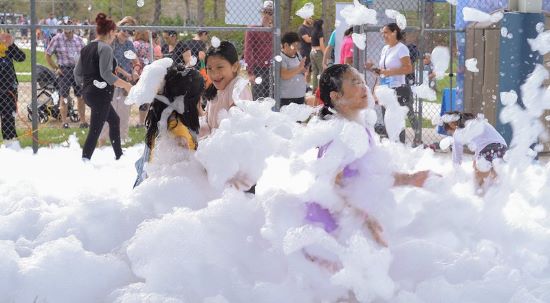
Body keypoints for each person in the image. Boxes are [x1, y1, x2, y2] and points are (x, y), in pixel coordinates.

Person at [74, 13, 133, 160]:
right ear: (111, 32)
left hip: (88, 93)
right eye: (115, 32)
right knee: (95, 130)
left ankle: (119, 155)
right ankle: (85, 160)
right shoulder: (105, 48)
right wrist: (126, 85)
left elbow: (77, 73)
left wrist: (88, 85)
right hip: (100, 95)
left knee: (114, 120)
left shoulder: (87, 48)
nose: (115, 35)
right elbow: (106, 74)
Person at [134, 65, 205, 187]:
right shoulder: (179, 131)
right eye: (200, 96)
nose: (202, 101)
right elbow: (182, 170)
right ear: (190, 100)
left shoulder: (164, 121)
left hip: (148, 187)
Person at [366, 23, 419, 144]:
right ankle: (393, 148)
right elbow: (383, 72)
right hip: (386, 91)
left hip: (398, 90)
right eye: (382, 33)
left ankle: (402, 148)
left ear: (394, 32)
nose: (383, 35)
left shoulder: (401, 48)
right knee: (388, 121)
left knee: (398, 122)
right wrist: (373, 68)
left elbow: (408, 69)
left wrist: (388, 72)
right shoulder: (385, 49)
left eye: (386, 33)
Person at [98, 16, 141, 145]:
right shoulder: (112, 41)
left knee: (123, 113)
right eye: (125, 29)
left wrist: (135, 71)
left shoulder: (129, 44)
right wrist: (126, 73)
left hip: (125, 84)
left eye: (130, 31)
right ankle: (101, 142)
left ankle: (120, 143)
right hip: (110, 81)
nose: (127, 33)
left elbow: (136, 61)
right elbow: (109, 63)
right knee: (107, 112)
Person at [442, 111, 507, 190]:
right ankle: (502, 191)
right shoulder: (478, 121)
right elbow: (482, 143)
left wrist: (456, 168)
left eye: (450, 132)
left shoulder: (459, 132)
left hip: (488, 149)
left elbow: (457, 155)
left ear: (451, 124)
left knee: (478, 182)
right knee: (495, 176)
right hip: (502, 148)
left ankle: (479, 196)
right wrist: (476, 159)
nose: (452, 134)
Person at [199, 41, 252, 137]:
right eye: (209, 68)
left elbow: (235, 128)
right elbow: (207, 122)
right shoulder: (215, 89)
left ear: (235, 66)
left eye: (219, 67)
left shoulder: (238, 88)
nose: (214, 74)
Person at [45, 18, 87, 129]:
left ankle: (83, 122)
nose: (67, 26)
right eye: (65, 24)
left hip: (78, 70)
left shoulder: (79, 40)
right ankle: (64, 122)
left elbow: (85, 55)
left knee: (81, 97)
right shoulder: (57, 39)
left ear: (73, 26)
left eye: (69, 24)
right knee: (63, 97)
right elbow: (48, 55)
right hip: (64, 71)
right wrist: (56, 68)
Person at [244, 0, 273, 100]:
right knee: (258, 98)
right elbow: (248, 51)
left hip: (271, 68)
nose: (267, 15)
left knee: (270, 98)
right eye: (265, 12)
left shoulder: (273, 29)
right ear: (261, 13)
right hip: (258, 68)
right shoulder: (253, 28)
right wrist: (250, 72)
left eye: (270, 13)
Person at [0, 32, 25, 146]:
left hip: (9, 88)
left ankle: (10, 142)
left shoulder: (6, 47)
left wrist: (11, 44)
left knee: (9, 116)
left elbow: (21, 57)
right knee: (6, 115)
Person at [280, 32, 307, 107]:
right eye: (293, 47)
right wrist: (299, 68)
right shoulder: (281, 57)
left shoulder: (297, 55)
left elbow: (300, 68)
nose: (296, 49)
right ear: (285, 45)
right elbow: (284, 75)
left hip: (299, 96)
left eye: (297, 46)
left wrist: (303, 70)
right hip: (287, 98)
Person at [133, 30, 153, 127]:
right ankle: (144, 120)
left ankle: (140, 122)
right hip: (147, 72)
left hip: (137, 71)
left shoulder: (135, 44)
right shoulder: (149, 46)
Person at [309, 19, 325, 92]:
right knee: (322, 71)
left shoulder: (313, 31)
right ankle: (320, 90)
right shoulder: (320, 32)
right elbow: (321, 45)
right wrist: (325, 54)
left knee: (315, 71)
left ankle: (314, 89)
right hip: (318, 52)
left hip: (312, 52)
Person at [298, 16, 314, 87]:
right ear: (305, 17)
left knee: (310, 71)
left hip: (312, 52)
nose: (311, 20)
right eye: (310, 18)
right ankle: (302, 87)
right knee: (305, 70)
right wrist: (316, 38)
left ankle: (307, 86)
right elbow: (307, 40)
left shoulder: (311, 28)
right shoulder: (302, 28)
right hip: (304, 52)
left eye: (312, 18)